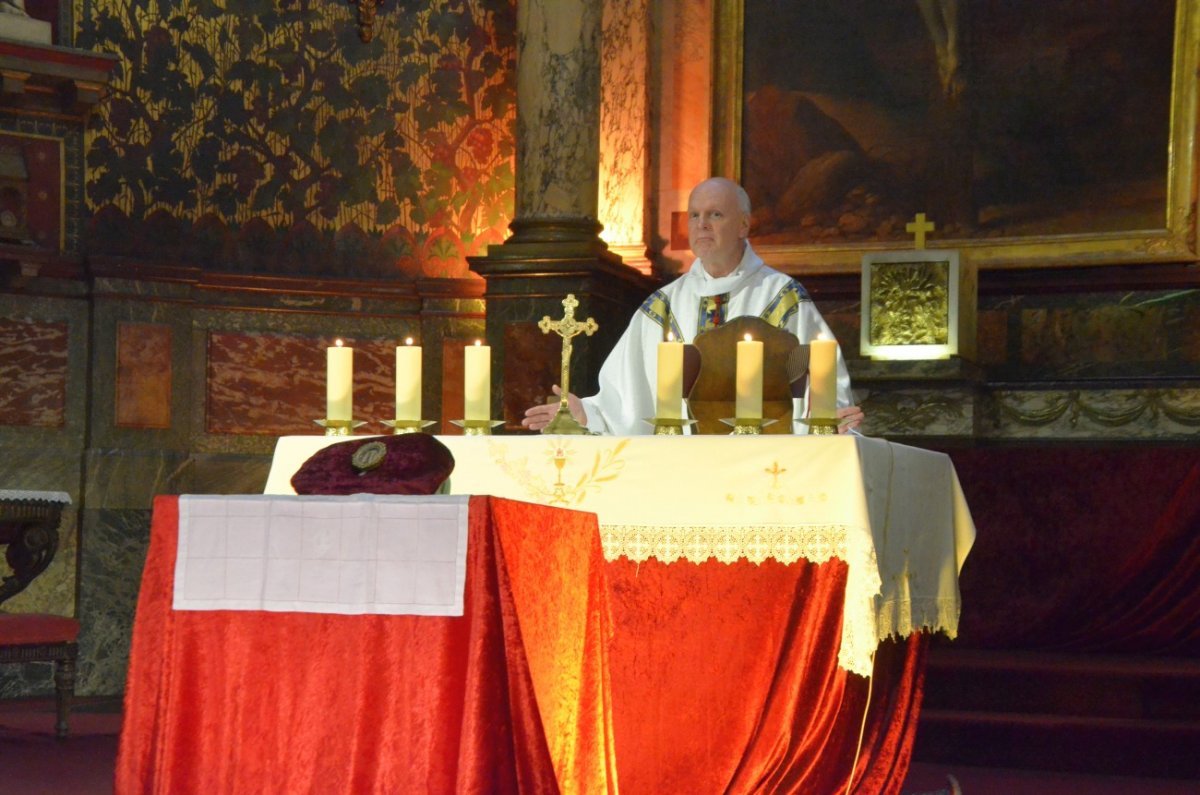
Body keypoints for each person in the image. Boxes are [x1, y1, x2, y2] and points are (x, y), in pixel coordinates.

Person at [522, 176, 865, 435]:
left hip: (764, 468)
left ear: (744, 225)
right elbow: (624, 395)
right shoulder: (662, 305)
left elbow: (823, 382)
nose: (702, 224)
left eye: (715, 214)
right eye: (695, 215)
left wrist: (830, 417)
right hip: (680, 468)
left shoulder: (782, 297)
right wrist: (589, 413)